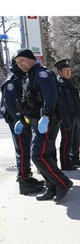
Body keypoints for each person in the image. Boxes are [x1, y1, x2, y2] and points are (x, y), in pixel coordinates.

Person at [13, 48, 73, 202]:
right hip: (36, 122)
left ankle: (63, 183)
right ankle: (51, 187)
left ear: (30, 58)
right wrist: (22, 119)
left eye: (22, 61)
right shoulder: (29, 76)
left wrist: (45, 115)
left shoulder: (41, 74)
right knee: (46, 155)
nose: (20, 65)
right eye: (17, 63)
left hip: (47, 121)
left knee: (37, 155)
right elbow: (29, 102)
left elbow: (50, 96)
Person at [0, 57, 44, 195]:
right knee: (22, 150)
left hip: (23, 120)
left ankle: (27, 177)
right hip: (17, 122)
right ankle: (24, 182)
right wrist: (22, 120)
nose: (24, 65)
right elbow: (12, 106)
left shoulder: (21, 77)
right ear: (16, 65)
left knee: (25, 149)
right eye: (21, 63)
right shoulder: (12, 81)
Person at [54, 58, 80, 170]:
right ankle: (65, 163)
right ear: (59, 71)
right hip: (67, 117)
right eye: (66, 70)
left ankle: (75, 158)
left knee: (76, 139)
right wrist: (65, 120)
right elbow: (62, 105)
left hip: (75, 116)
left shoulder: (68, 82)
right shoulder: (59, 84)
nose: (69, 72)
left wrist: (79, 117)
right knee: (67, 140)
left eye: (70, 70)